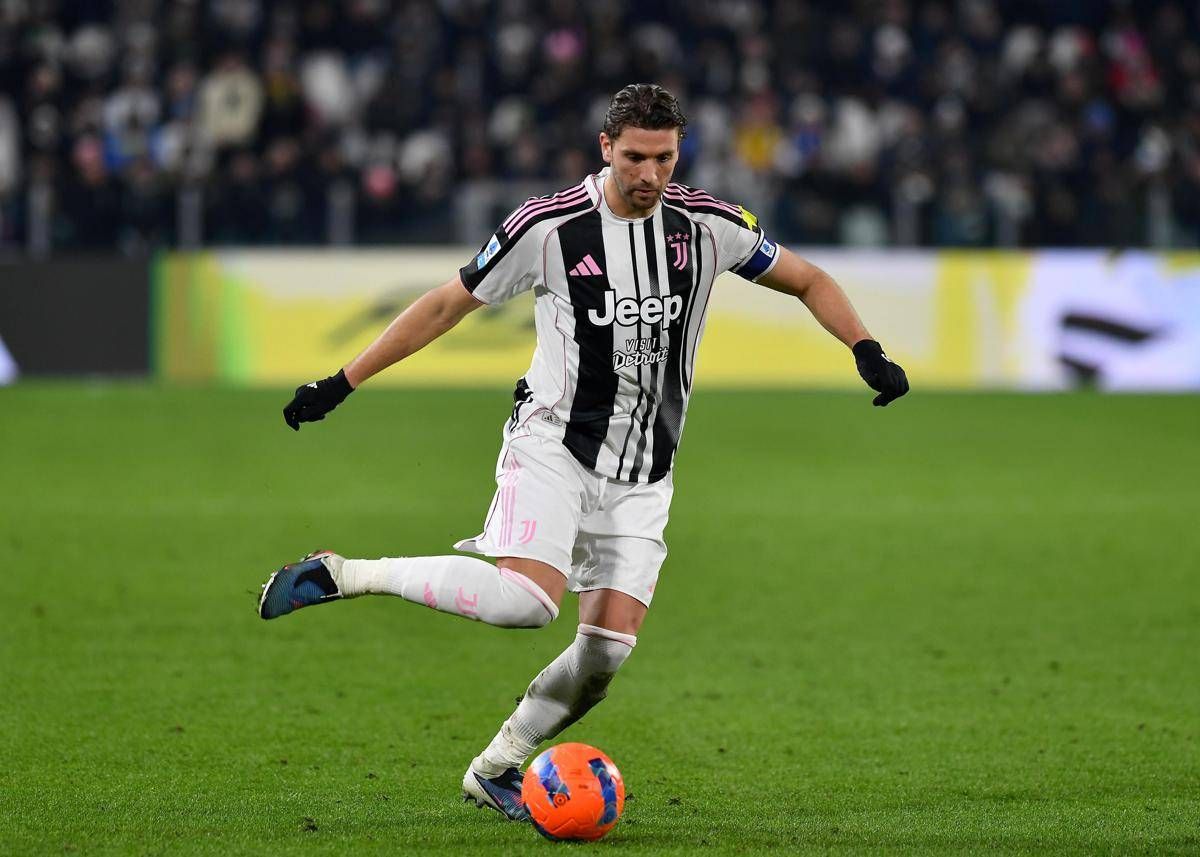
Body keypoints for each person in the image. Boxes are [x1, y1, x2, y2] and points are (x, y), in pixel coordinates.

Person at [258, 83, 909, 820]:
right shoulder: (549, 227)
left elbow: (808, 279)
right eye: (635, 157)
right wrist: (343, 381)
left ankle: (495, 767)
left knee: (605, 656)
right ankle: (344, 573)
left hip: (646, 471)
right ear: (605, 148)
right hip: (555, 445)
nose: (650, 175)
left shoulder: (708, 226)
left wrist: (864, 346)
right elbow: (446, 303)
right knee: (526, 603)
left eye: (664, 158)